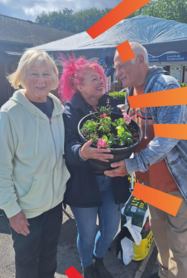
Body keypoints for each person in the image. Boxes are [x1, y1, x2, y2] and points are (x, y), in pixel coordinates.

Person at [107, 42, 187, 278]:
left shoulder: (166, 87)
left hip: (176, 185)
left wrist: (130, 165)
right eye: (115, 68)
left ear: (140, 60)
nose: (117, 73)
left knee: (180, 246)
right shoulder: (132, 90)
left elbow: (165, 140)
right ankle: (164, 274)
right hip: (149, 184)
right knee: (161, 240)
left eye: (121, 67)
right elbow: (139, 129)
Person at [0, 49, 70, 278]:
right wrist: (12, 211)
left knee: (49, 259)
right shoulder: (11, 113)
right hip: (26, 209)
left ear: (54, 78)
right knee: (27, 265)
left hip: (54, 205)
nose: (41, 80)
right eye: (34, 74)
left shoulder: (57, 108)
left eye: (46, 74)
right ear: (22, 77)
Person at [60, 55, 130, 278]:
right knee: (87, 232)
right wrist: (81, 152)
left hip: (113, 178)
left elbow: (125, 138)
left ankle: (99, 260)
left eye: (101, 77)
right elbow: (68, 145)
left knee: (110, 229)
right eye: (94, 79)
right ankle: (86, 267)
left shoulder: (110, 105)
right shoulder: (69, 111)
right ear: (79, 86)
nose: (101, 81)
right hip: (84, 182)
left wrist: (127, 125)